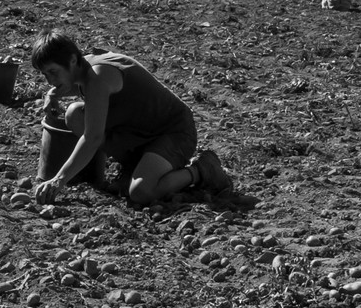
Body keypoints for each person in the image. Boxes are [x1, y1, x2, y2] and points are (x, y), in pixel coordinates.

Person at [30, 31, 232, 207]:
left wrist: (58, 180)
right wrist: (53, 94)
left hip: (173, 132)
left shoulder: (98, 76)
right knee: (75, 115)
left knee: (142, 192)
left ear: (73, 60)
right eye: (45, 74)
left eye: (53, 72)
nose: (50, 81)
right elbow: (78, 88)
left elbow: (92, 137)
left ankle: (202, 169)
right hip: (139, 131)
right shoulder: (85, 68)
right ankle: (133, 166)